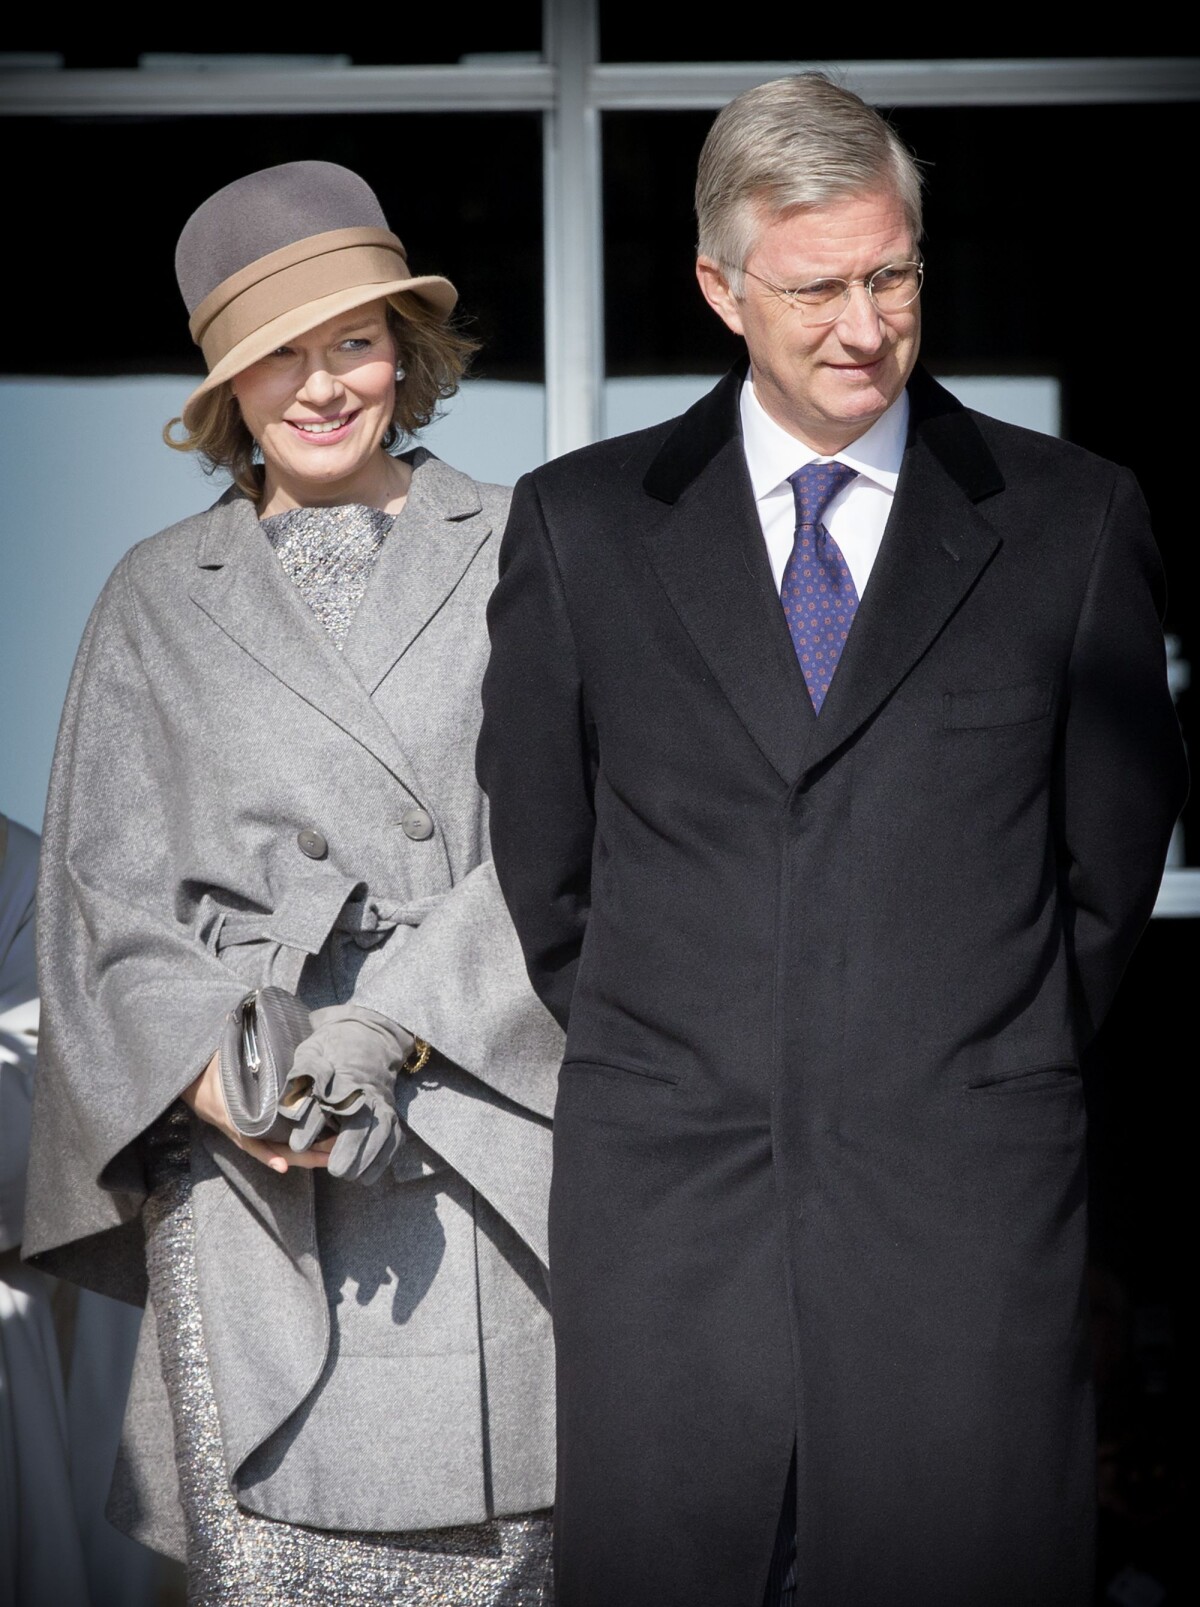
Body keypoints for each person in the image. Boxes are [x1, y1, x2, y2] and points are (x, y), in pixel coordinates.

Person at [476, 74, 1189, 1607]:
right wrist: (704, 1047)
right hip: (673, 1235)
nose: (865, 325)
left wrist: (952, 1057)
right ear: (721, 291)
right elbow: (549, 880)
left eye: (894, 275)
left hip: (963, 1228)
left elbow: (1107, 876)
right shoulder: (576, 529)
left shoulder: (1073, 520)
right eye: (818, 288)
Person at [23, 159, 562, 1605]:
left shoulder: (529, 549)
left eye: (354, 342)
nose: (322, 386)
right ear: (223, 390)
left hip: (471, 1129)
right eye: (276, 356)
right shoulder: (153, 593)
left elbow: (577, 850)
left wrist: (387, 1031)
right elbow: (100, 907)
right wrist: (233, 1088)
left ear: (408, 350)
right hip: (260, 1166)